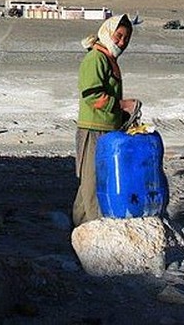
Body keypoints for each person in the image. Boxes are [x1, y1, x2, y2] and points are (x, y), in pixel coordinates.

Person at [72, 13, 138, 227]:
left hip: (107, 129)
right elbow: (91, 95)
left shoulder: (108, 59)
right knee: (93, 183)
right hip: (94, 129)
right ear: (108, 33)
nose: (122, 42)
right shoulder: (96, 59)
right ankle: (95, 230)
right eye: (119, 36)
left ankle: (80, 230)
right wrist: (121, 105)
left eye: (126, 39)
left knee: (91, 185)